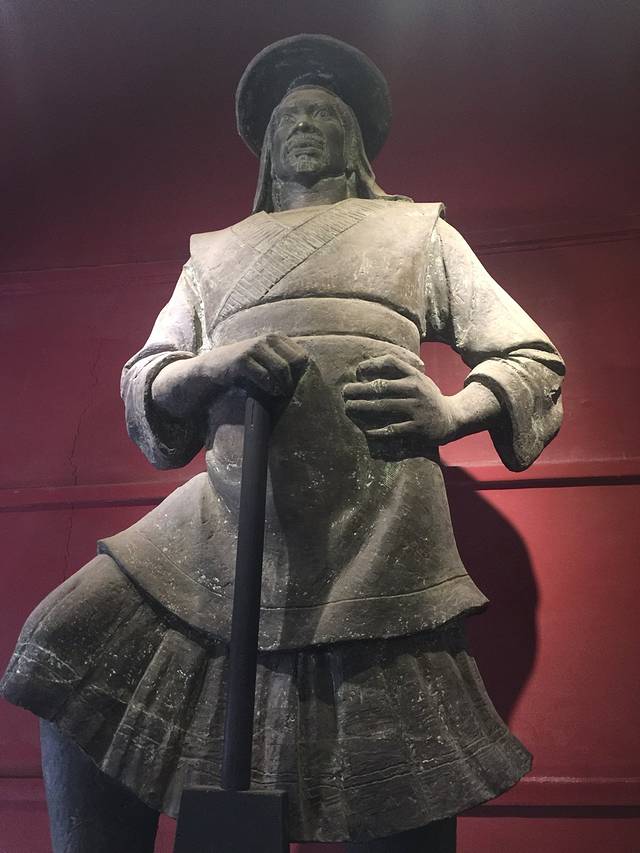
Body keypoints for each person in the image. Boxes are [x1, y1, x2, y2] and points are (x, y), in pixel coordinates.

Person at [0, 34, 564, 852]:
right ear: (267, 146)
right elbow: (147, 376)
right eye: (290, 116)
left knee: (392, 761)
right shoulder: (214, 255)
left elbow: (531, 358)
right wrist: (208, 368)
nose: (304, 124)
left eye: (324, 114)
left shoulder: (417, 232)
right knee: (66, 637)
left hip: (374, 519)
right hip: (231, 511)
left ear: (354, 139)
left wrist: (451, 411)